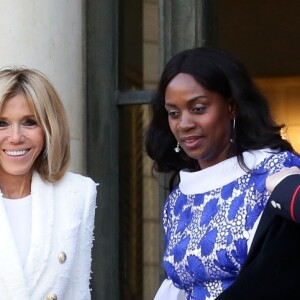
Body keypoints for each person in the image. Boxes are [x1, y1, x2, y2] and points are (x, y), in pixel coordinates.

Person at [145, 47, 300, 300]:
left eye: (198, 108)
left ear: (232, 107)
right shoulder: (178, 200)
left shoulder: (276, 172)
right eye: (174, 113)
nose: (184, 124)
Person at [0, 67, 97, 300]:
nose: (15, 137)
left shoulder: (77, 194)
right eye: (1, 123)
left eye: (29, 122)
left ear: (49, 128)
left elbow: (77, 291)